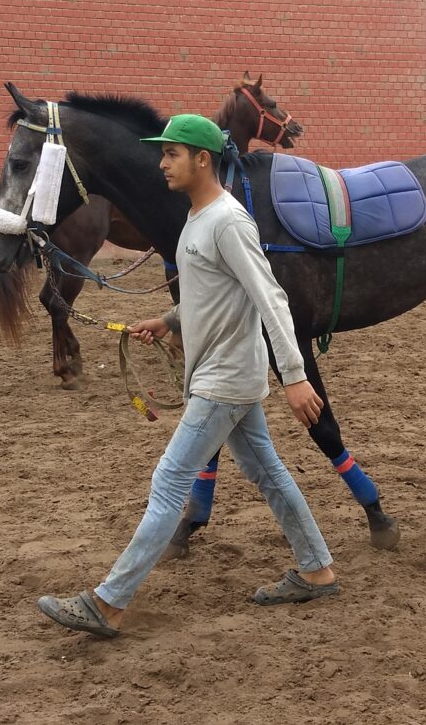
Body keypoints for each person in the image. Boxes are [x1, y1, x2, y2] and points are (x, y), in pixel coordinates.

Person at [37, 114, 338, 638]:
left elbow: (270, 297)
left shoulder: (228, 221)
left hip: (225, 378)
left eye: (171, 153)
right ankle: (316, 569)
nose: (162, 163)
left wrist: (294, 375)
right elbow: (214, 290)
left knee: (169, 479)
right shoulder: (197, 218)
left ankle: (108, 603)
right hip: (223, 373)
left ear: (202, 160)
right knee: (267, 472)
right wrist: (169, 320)